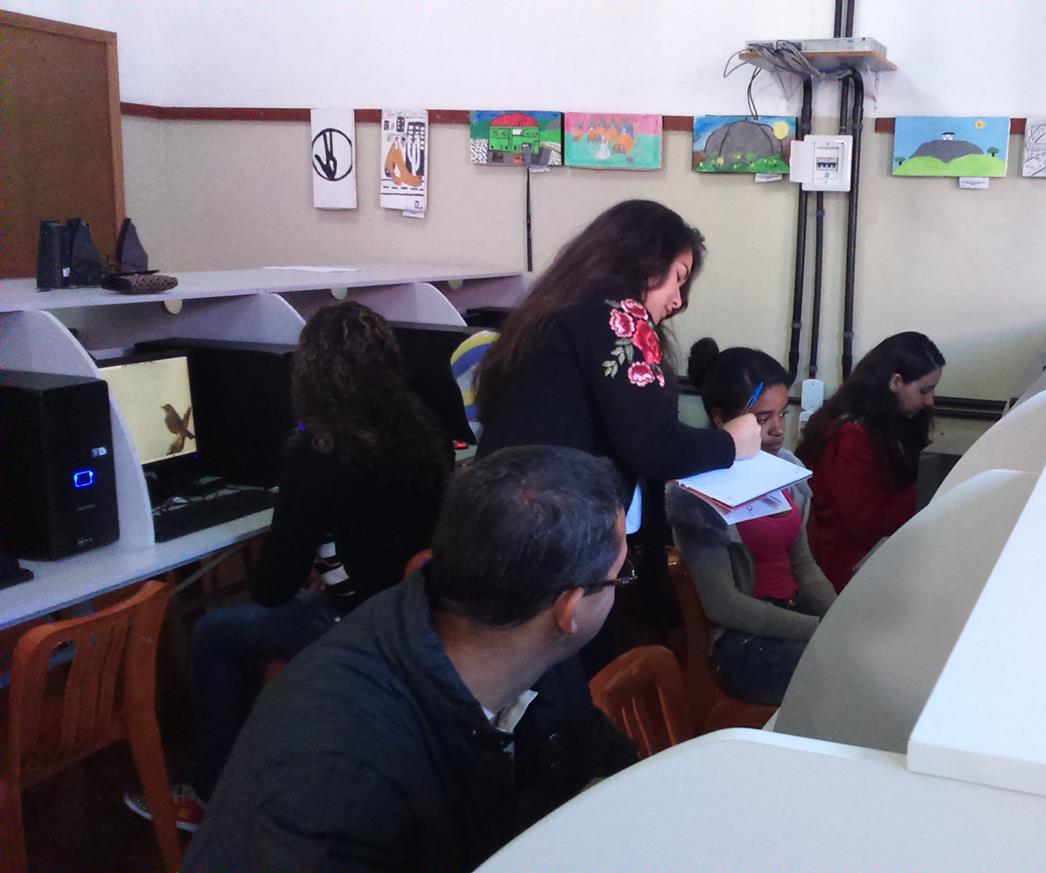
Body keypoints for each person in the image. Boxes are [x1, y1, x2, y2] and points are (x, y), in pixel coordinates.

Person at [182, 446, 640, 873]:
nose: (620, 586)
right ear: (569, 610)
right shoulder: (335, 779)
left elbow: (594, 758)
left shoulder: (517, 632)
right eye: (620, 575)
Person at [126, 302, 453, 831]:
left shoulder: (320, 454)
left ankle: (209, 792)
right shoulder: (423, 425)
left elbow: (272, 588)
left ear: (309, 375)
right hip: (414, 607)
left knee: (213, 632)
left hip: (359, 622)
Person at [474, 199, 761, 655]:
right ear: (644, 260)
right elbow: (652, 445)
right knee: (565, 673)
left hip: (510, 526)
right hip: (554, 539)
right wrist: (732, 442)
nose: (679, 300)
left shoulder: (558, 309)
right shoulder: (618, 312)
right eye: (678, 277)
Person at [667, 341, 836, 705]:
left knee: (865, 657)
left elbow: (803, 564)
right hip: (742, 642)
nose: (777, 430)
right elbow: (723, 605)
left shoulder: (786, 467)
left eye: (782, 414)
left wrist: (839, 616)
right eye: (762, 419)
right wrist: (818, 629)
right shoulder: (699, 490)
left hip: (793, 617)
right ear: (719, 419)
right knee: (841, 677)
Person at [796, 332, 945, 591]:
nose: (929, 400)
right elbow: (870, 526)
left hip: (872, 560)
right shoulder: (849, 436)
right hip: (846, 574)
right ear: (896, 382)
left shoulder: (892, 422)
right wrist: (927, 483)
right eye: (924, 390)